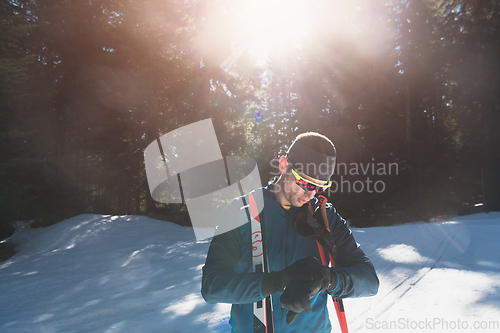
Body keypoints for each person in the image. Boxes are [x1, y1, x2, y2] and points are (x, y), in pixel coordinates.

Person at [201, 132, 379, 332]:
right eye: (304, 182)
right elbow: (212, 286)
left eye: (319, 187)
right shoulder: (242, 210)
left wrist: (327, 280)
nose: (310, 194)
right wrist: (277, 281)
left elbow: (370, 281)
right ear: (284, 165)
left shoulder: (325, 216)